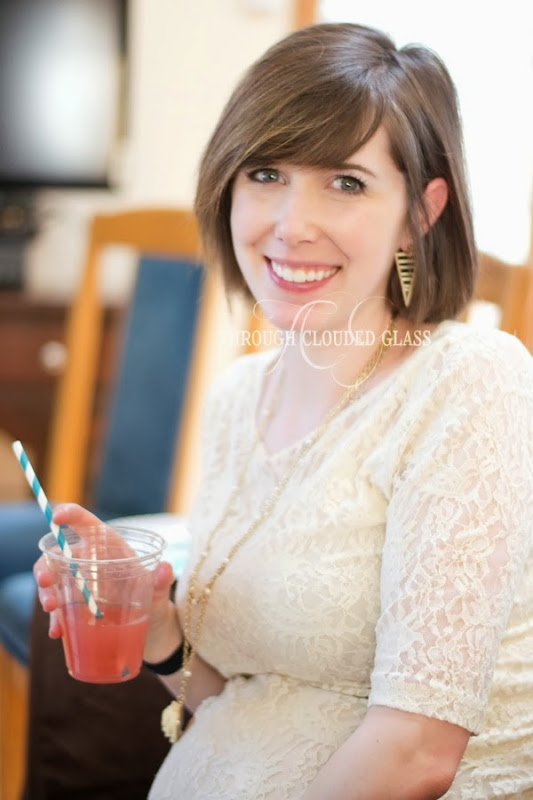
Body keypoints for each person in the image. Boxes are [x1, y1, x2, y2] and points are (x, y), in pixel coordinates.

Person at [34, 22, 533, 799]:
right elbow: (239, 698)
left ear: (420, 210)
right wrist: (160, 629)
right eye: (265, 173)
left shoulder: (468, 380)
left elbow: (417, 754)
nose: (291, 225)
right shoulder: (238, 398)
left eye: (346, 182)